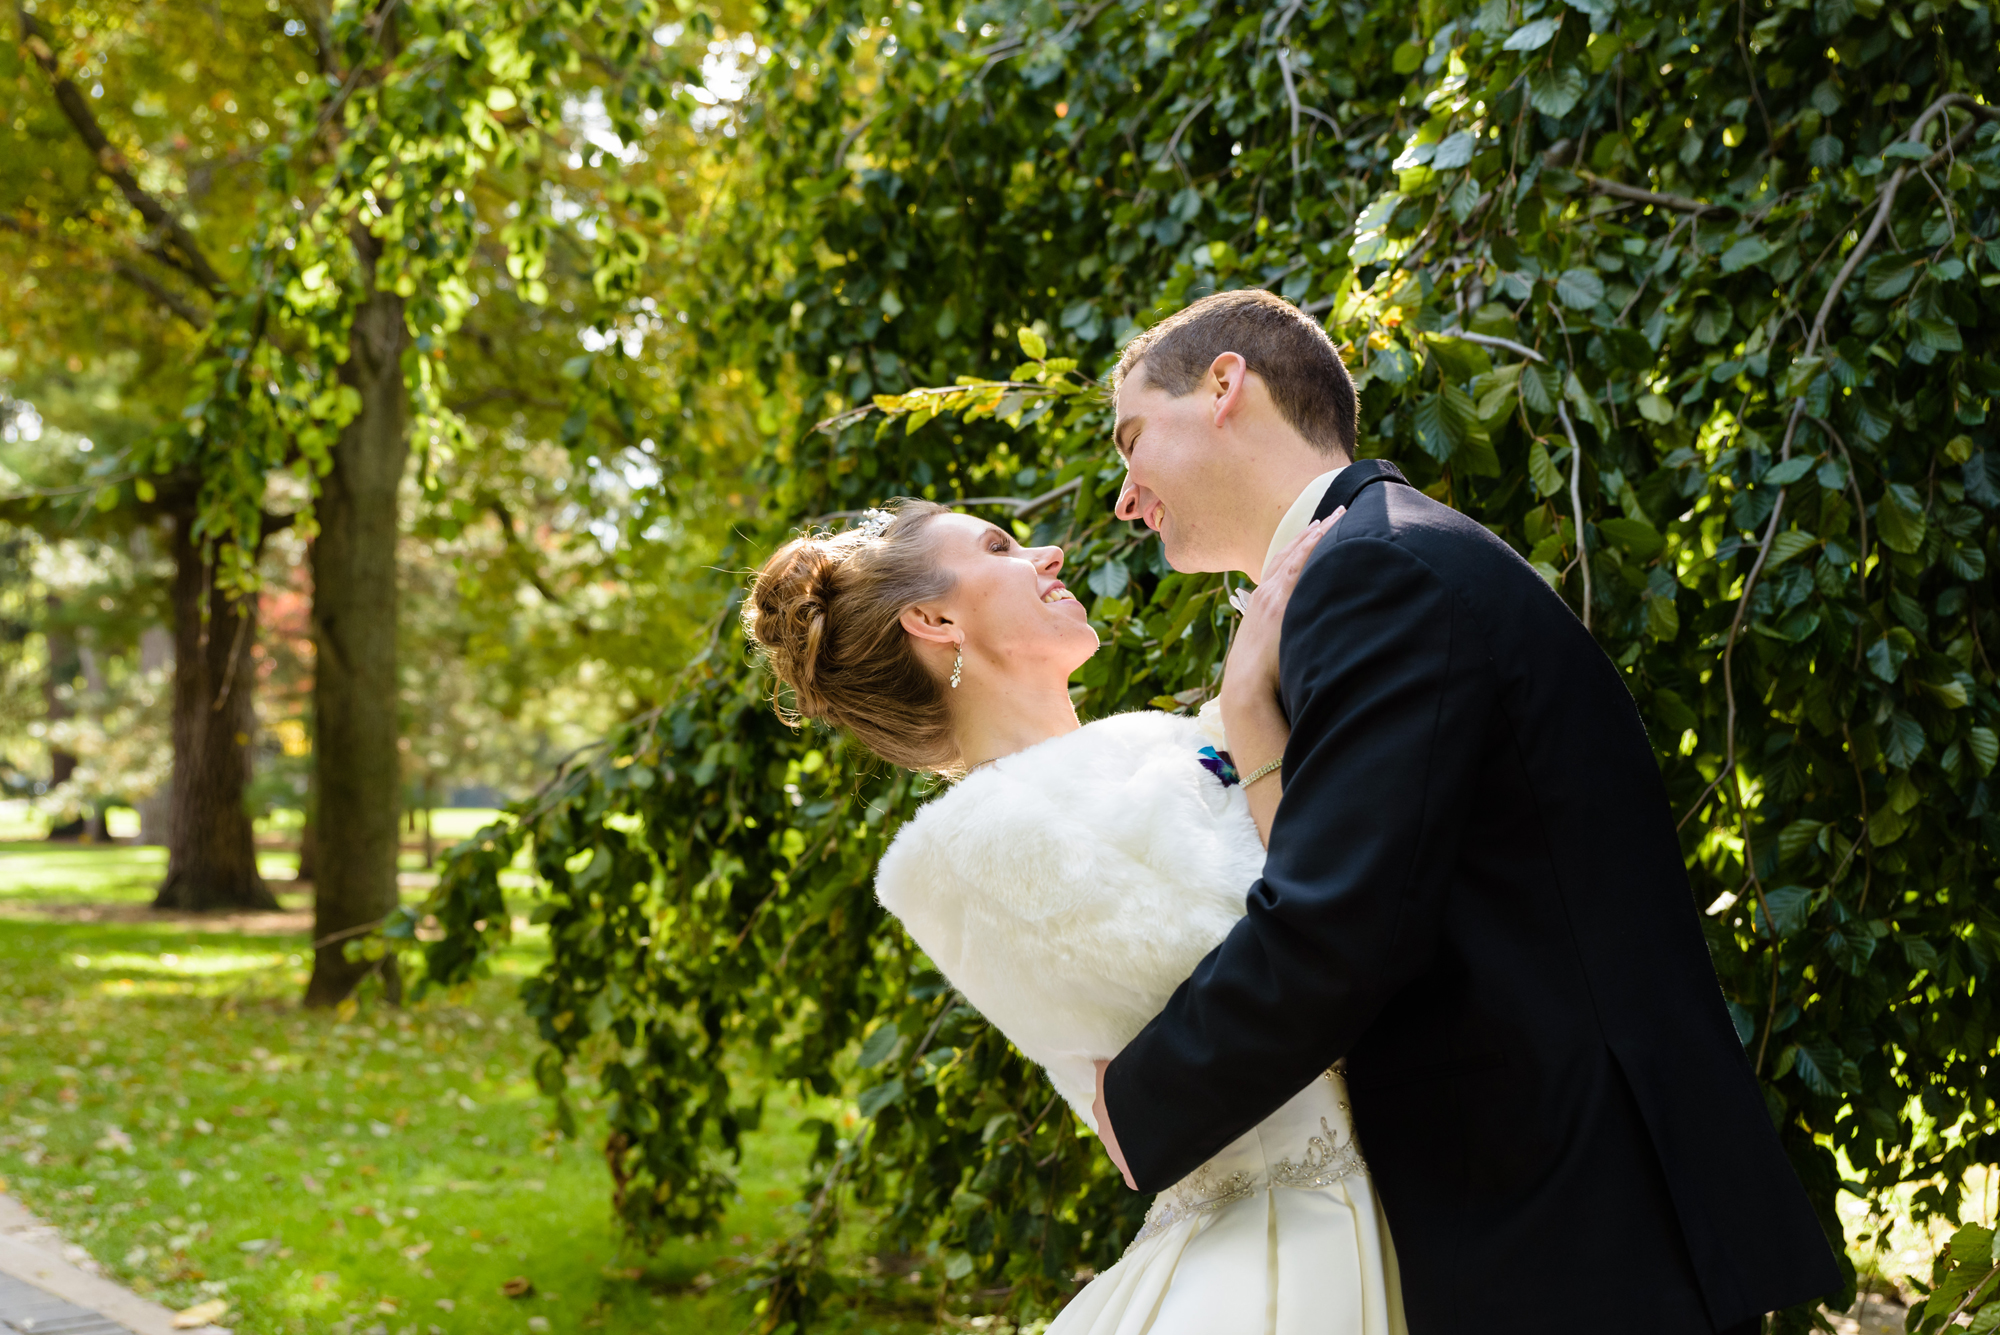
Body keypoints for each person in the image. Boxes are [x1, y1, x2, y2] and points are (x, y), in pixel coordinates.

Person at [1093, 288, 1841, 1334]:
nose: (1124, 499)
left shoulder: (1375, 572)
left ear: (1224, 385)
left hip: (1573, 1227)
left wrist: (1133, 1108)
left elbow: (1338, 926)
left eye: (1132, 439)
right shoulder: (1385, 554)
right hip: (1563, 1205)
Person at [743, 496, 1408, 1334]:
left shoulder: (1155, 742)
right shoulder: (975, 849)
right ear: (935, 617)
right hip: (1284, 1251)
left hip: (1398, 1198)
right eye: (1000, 546)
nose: (1049, 553)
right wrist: (1248, 707)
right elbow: (1289, 953)